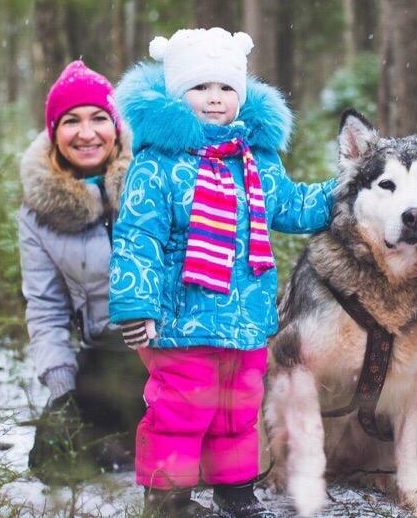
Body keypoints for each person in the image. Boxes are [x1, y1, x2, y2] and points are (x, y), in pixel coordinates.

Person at [109, 28, 336, 518]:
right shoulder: (157, 164)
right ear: (176, 93)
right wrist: (137, 304)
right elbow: (138, 237)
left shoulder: (255, 160)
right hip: (179, 323)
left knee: (237, 410)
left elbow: (291, 206)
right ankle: (168, 495)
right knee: (181, 410)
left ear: (243, 94)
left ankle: (235, 488)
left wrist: (348, 191)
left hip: (245, 319)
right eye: (200, 87)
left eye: (226, 87)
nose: (215, 98)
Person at [19, 59, 146, 485]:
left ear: (116, 126)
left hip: (170, 349)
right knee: (54, 461)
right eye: (71, 121)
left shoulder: (151, 180)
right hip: (106, 356)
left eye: (98, 119)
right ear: (54, 132)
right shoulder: (38, 212)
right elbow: (46, 307)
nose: (87, 133)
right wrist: (61, 387)